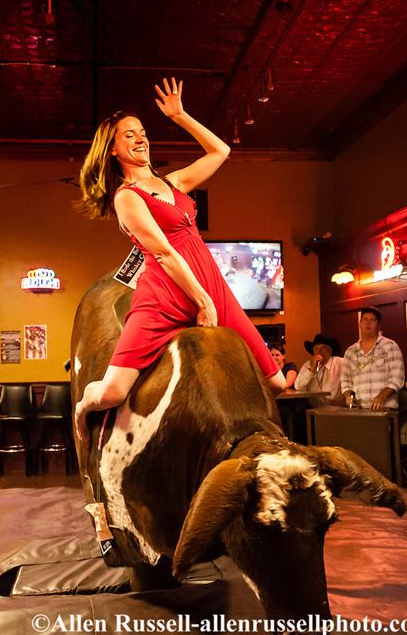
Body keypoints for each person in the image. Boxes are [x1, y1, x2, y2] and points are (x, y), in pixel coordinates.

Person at [75, 77, 285, 440]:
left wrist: (181, 115)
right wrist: (200, 300)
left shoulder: (174, 183)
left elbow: (221, 152)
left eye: (141, 132)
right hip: (165, 294)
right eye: (129, 135)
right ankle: (82, 406)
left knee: (277, 382)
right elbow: (163, 252)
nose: (140, 138)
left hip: (212, 284)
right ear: (111, 149)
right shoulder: (126, 197)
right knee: (113, 392)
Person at [341, 306, 404, 410]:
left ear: (378, 325)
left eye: (372, 320)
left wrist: (381, 397)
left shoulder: (390, 346)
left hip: (385, 409)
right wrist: (348, 396)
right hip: (359, 410)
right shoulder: (350, 351)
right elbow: (345, 381)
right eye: (365, 319)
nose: (368, 323)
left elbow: (397, 379)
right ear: (360, 323)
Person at [294, 334, 343, 403]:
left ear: (330, 351)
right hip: (314, 409)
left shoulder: (340, 363)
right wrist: (311, 370)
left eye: (323, 348)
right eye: (316, 348)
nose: (319, 351)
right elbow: (298, 386)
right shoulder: (308, 364)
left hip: (337, 409)